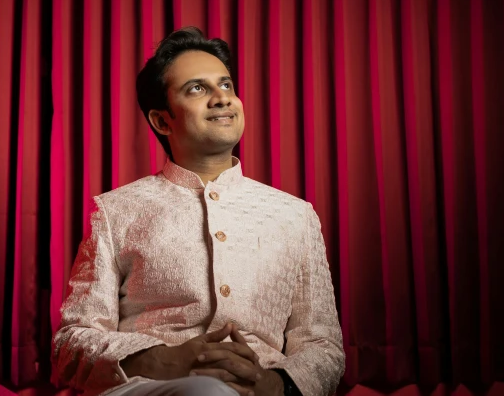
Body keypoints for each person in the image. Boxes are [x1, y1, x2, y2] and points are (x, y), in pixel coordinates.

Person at [52, 27, 345, 396]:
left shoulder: (295, 215)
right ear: (162, 121)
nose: (222, 99)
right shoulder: (116, 211)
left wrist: (272, 383)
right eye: (197, 89)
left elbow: (323, 346)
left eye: (226, 85)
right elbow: (70, 345)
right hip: (149, 387)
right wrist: (164, 359)